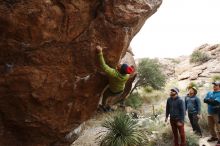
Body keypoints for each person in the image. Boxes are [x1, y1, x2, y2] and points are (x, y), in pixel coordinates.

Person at [96, 45, 134, 112]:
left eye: (120, 65)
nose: (120, 64)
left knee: (105, 96)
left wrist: (100, 53)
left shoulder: (114, 74)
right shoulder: (126, 75)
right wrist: (130, 68)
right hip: (120, 91)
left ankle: (103, 107)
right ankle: (109, 107)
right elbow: (129, 72)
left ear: (119, 70)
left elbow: (103, 66)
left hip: (112, 90)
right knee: (111, 98)